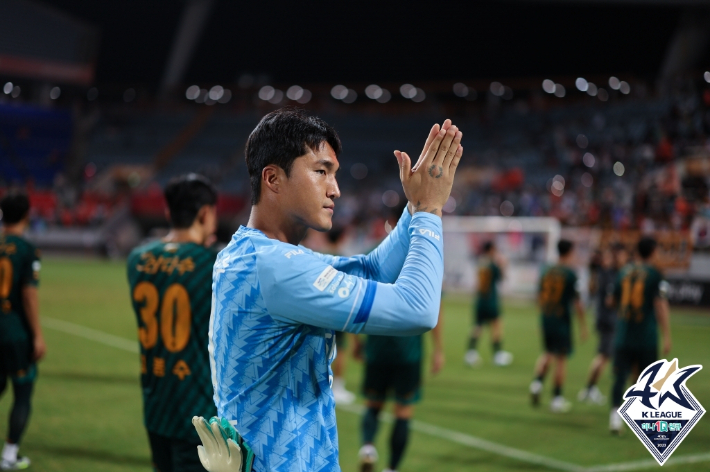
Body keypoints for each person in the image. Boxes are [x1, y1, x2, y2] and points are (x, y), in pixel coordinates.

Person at [209, 109, 462, 472]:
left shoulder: (253, 253)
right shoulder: (276, 267)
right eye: (321, 171)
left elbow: (372, 271)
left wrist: (415, 205)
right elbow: (417, 309)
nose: (335, 189)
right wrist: (430, 212)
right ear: (273, 179)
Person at [127, 174, 221, 472]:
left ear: (168, 213)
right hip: (198, 407)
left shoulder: (138, 259)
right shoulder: (214, 264)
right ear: (205, 214)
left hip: (156, 402)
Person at [355, 302, 444, 472]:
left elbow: (360, 298)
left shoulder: (376, 272)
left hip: (377, 347)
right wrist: (438, 348)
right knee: (403, 410)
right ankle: (392, 468)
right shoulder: (419, 273)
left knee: (373, 403)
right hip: (408, 351)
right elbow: (435, 309)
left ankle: (368, 448)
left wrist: (356, 339)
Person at [0, 192, 45, 471]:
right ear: (27, 215)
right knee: (22, 390)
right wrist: (38, 334)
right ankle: (9, 455)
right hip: (14, 331)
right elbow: (28, 295)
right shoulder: (28, 249)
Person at [609, 237, 672, 434]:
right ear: (653, 252)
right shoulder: (655, 275)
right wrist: (667, 335)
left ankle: (615, 418)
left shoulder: (624, 272)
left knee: (620, 376)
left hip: (624, 333)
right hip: (645, 334)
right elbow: (660, 304)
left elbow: (611, 300)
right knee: (646, 378)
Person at [529, 239, 588, 413]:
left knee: (547, 352)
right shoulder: (570, 274)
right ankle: (556, 398)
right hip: (561, 319)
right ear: (569, 252)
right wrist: (583, 326)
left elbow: (539, 296)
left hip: (547, 316)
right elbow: (577, 303)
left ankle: (537, 384)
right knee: (561, 359)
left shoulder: (546, 270)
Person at [578, 246, 626, 404]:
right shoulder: (610, 275)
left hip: (603, 317)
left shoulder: (602, 273)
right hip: (608, 319)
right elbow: (610, 300)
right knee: (604, 355)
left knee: (607, 355)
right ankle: (589, 389)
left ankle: (590, 389)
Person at [464, 241, 513, 367]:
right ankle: (498, 354)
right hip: (490, 300)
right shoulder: (492, 265)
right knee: (496, 326)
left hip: (480, 299)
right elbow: (501, 277)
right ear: (491, 250)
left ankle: (470, 352)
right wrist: (503, 265)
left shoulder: (481, 263)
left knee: (478, 326)